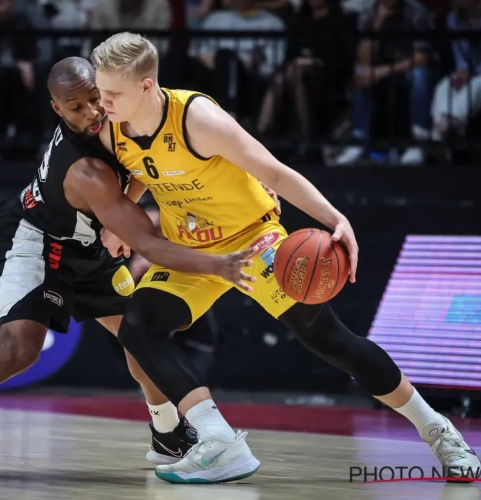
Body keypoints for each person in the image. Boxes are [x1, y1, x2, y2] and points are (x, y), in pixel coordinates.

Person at [90, 32, 480, 484]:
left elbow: (274, 170)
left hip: (254, 241)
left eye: (112, 93)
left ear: (146, 86)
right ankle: (217, 441)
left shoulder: (198, 119)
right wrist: (120, 218)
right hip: (191, 251)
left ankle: (439, 431)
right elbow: (142, 168)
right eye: (100, 91)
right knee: (139, 326)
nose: (103, 102)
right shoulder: (111, 126)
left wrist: (335, 217)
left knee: (330, 339)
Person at [0, 57, 257, 479]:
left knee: (140, 332)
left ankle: (167, 434)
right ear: (57, 109)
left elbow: (141, 167)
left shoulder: (116, 120)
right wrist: (218, 264)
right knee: (21, 349)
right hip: (36, 239)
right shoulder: (86, 170)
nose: (91, 112)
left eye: (96, 99)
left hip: (87, 243)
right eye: (76, 107)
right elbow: (148, 242)